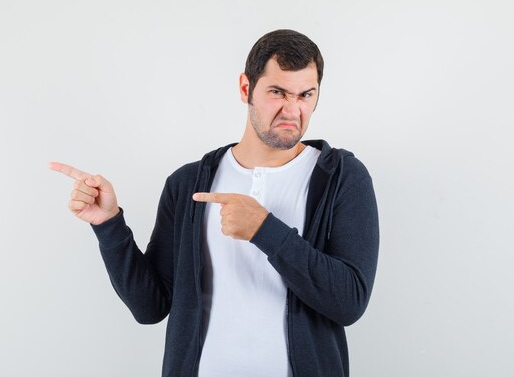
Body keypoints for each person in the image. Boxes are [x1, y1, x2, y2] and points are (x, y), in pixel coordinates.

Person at [49, 29, 379, 377]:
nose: (292, 110)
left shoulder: (342, 177)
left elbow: (350, 302)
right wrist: (108, 223)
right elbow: (151, 307)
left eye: (305, 95)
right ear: (245, 88)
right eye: (277, 92)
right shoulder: (188, 184)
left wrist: (265, 230)